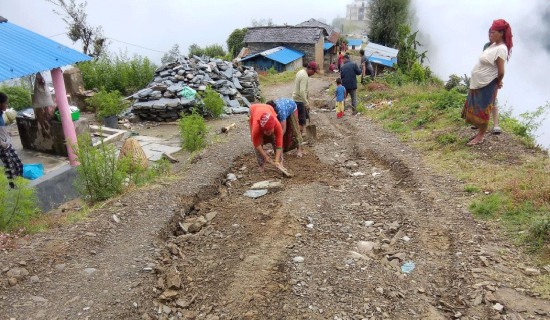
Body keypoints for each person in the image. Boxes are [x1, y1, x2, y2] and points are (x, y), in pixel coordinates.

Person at [462, 19, 513, 146]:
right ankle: (479, 133)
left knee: (484, 109)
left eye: (494, 32)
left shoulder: (501, 49)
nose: (491, 34)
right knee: (478, 107)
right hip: (479, 82)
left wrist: (498, 82)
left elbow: (501, 71)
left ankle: (480, 137)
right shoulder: (493, 45)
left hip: (487, 83)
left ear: (501, 33)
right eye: (490, 31)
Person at [249, 103, 286, 173]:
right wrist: (265, 156)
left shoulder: (277, 125)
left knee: (274, 139)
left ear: (273, 127)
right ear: (261, 128)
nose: (267, 133)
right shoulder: (256, 127)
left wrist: (276, 160)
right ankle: (261, 165)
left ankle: (280, 163)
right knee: (258, 140)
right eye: (265, 131)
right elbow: (256, 144)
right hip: (254, 109)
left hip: (268, 108)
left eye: (269, 131)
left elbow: (279, 143)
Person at [0, 92, 24, 188]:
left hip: (6, 143)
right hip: (3, 146)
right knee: (11, 169)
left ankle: (20, 184)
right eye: (5, 103)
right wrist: (2, 143)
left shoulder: (1, 113)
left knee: (18, 164)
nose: (7, 105)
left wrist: (6, 132)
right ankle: (15, 189)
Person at [292, 61, 318, 134]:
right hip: (300, 100)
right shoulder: (304, 76)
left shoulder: (300, 72)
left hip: (296, 98)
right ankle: (299, 136)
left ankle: (299, 134)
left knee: (300, 118)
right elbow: (302, 91)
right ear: (311, 69)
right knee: (302, 120)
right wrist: (306, 103)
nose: (313, 74)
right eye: (314, 72)